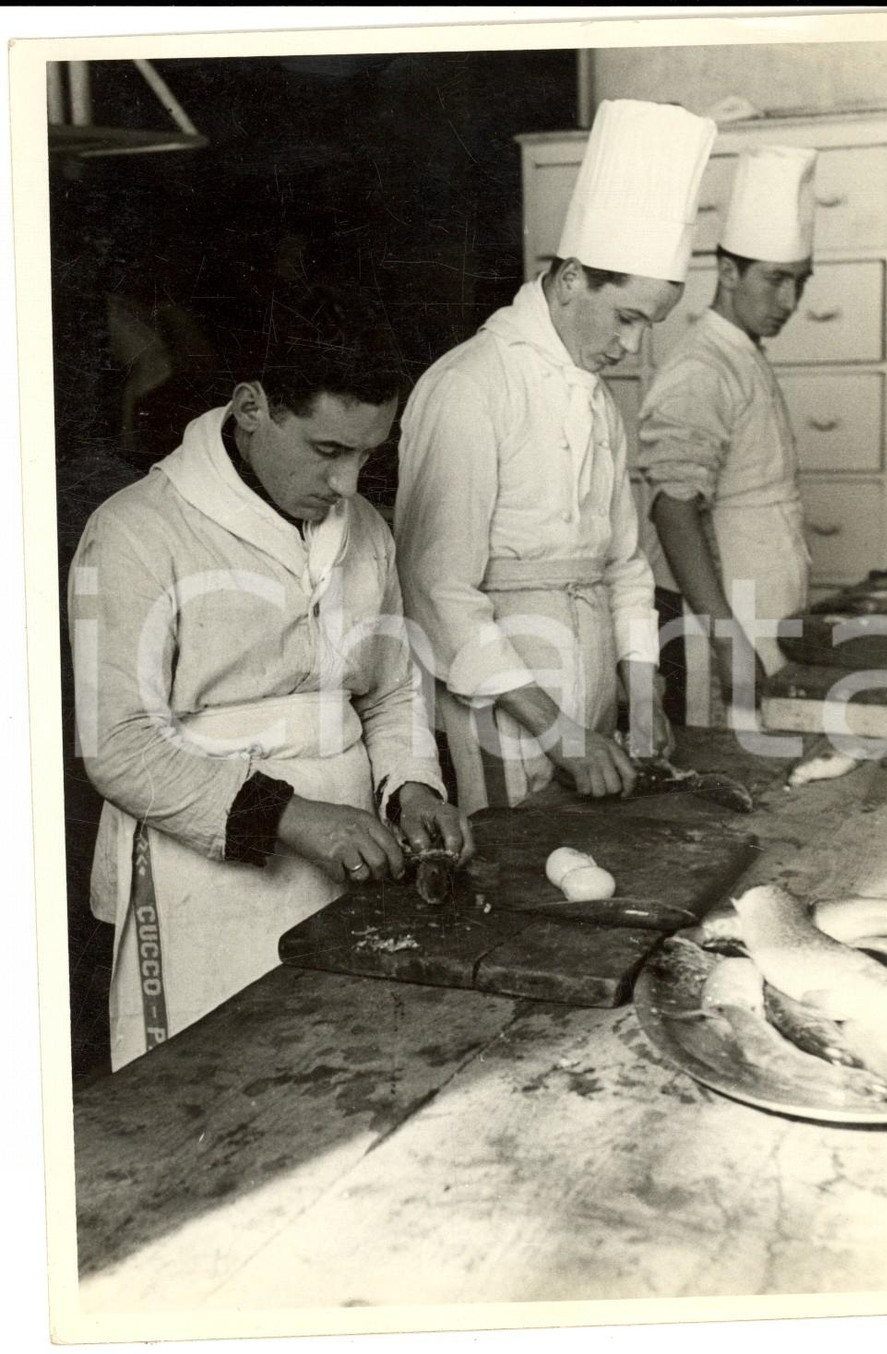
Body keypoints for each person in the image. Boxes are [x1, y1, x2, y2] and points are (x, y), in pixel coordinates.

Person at [69, 286, 472, 1070]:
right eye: (328, 451)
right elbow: (116, 745)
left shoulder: (365, 533)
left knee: (339, 1070)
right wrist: (290, 817)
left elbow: (388, 690)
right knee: (212, 1087)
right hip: (204, 882)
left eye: (367, 455)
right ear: (251, 406)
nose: (349, 485)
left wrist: (411, 786)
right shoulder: (136, 530)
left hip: (352, 853)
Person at [393, 99, 717, 815]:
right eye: (628, 317)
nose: (633, 347)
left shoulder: (596, 399)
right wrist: (560, 732)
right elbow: (437, 590)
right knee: (525, 874)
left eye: (650, 325)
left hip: (592, 684)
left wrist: (642, 691)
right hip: (508, 701)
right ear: (572, 277)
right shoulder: (470, 385)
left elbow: (626, 565)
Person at [633, 145, 818, 726]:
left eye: (801, 283)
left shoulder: (743, 357)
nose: (789, 302)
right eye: (776, 280)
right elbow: (673, 511)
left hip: (766, 621)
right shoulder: (702, 369)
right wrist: (727, 640)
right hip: (725, 633)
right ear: (730, 271)